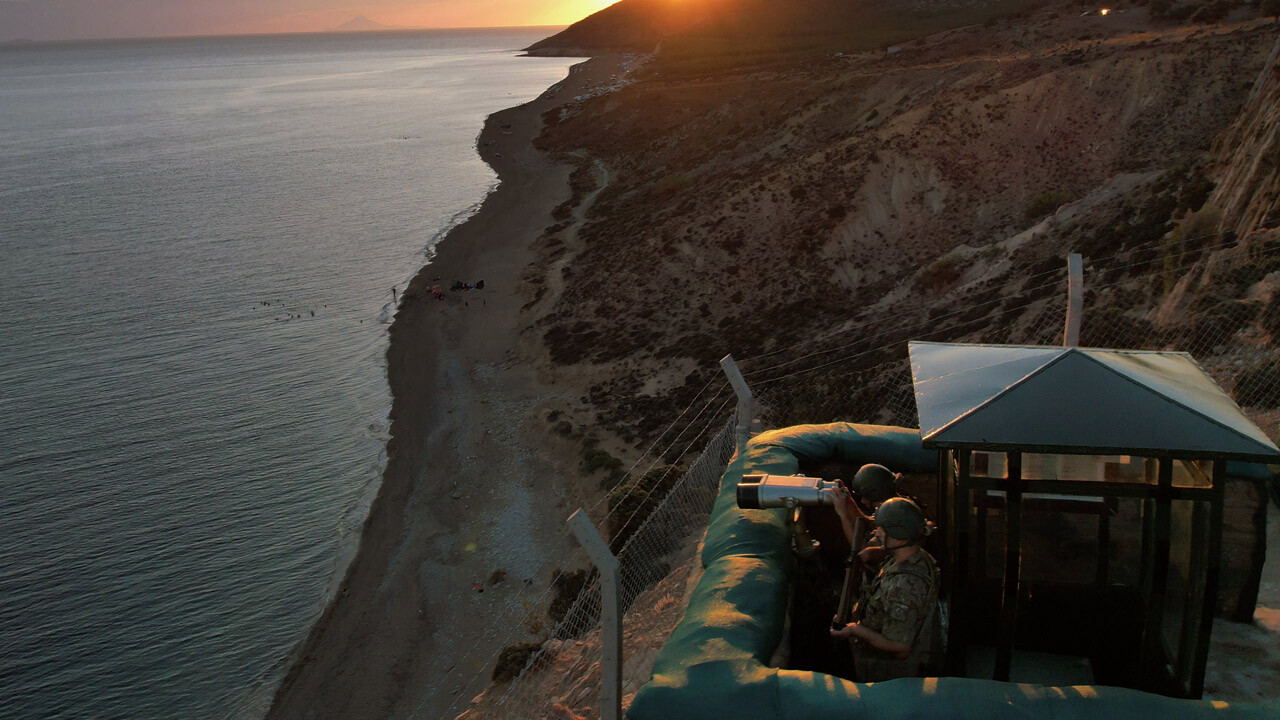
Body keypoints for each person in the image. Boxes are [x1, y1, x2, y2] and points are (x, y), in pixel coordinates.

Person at [829, 497, 939, 681]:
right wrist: (873, 553)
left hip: (886, 674)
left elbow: (901, 648)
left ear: (898, 535)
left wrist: (854, 630)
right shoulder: (915, 555)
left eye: (882, 529)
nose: (877, 533)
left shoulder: (904, 586)